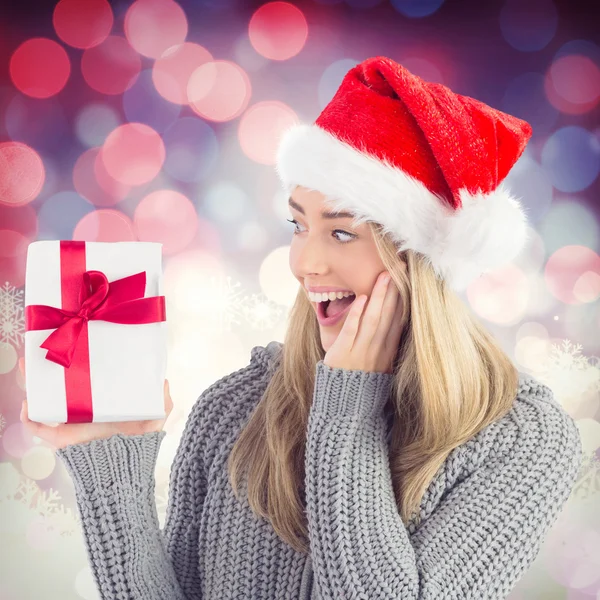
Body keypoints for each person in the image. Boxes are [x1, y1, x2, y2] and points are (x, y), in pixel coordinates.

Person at [20, 56, 582, 599]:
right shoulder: (236, 408)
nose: (303, 264)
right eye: (297, 225)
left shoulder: (521, 439)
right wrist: (111, 470)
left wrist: (348, 410)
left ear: (422, 262)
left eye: (341, 233)